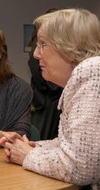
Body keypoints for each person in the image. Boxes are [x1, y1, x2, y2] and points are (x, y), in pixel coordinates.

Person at [0, 8, 100, 188]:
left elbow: (80, 168)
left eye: (43, 44)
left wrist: (26, 155)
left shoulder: (92, 71)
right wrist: (35, 147)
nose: (36, 54)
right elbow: (73, 145)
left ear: (68, 45)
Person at [28, 8, 63, 140]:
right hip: (46, 99)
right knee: (41, 139)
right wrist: (54, 87)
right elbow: (35, 67)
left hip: (53, 96)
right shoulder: (40, 41)